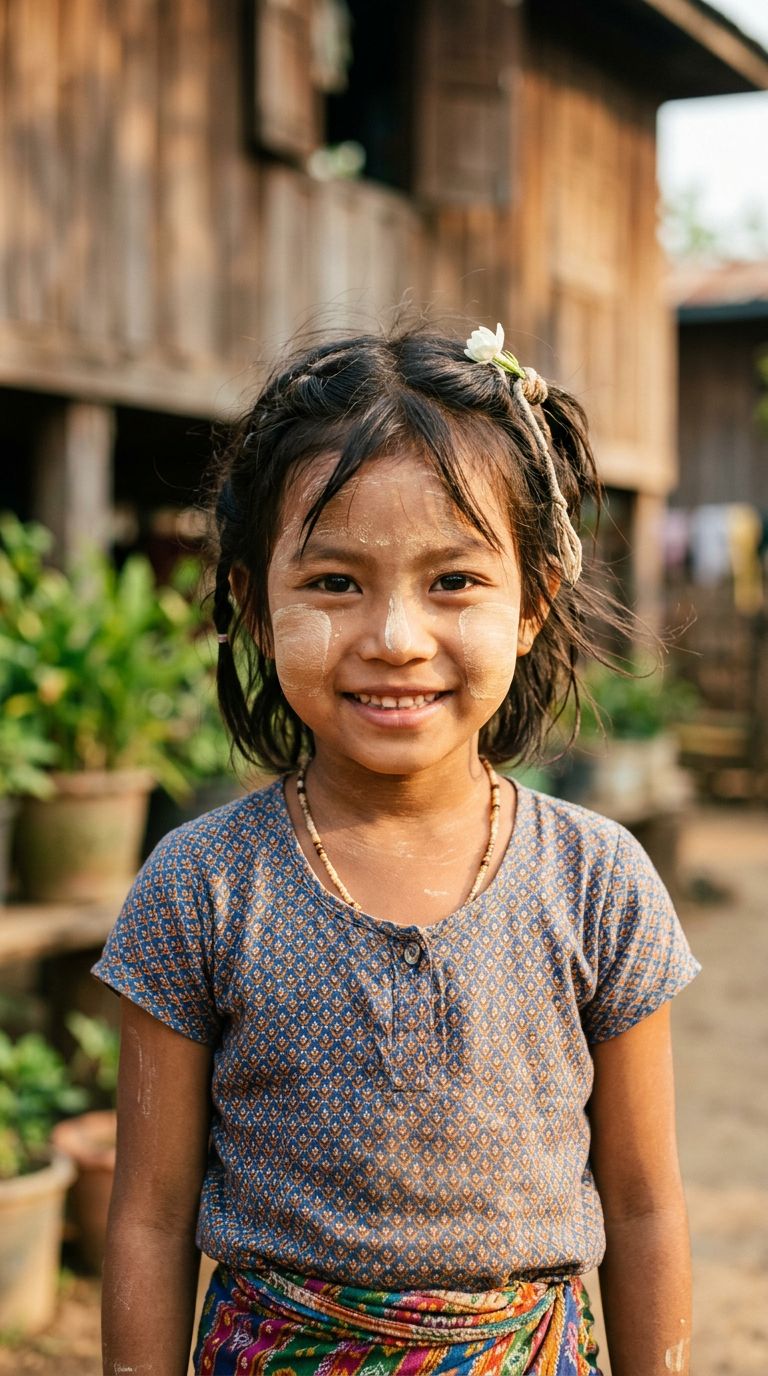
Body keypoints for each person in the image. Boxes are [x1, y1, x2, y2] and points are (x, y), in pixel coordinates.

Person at [94, 323, 699, 1376]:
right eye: (334, 583)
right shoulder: (200, 889)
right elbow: (148, 1219)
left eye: (454, 580)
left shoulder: (597, 880)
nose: (396, 637)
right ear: (250, 601)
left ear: (532, 602)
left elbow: (645, 1204)